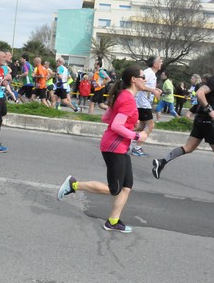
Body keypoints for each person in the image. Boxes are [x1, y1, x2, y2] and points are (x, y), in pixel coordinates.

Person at [57, 65, 148, 233]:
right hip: (114, 147)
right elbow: (115, 124)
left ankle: (113, 221)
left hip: (118, 145)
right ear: (134, 80)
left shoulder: (124, 96)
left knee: (127, 185)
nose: (146, 80)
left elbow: (106, 118)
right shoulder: (127, 98)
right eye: (143, 77)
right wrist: (136, 136)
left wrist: (129, 125)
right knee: (114, 189)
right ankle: (74, 185)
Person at [152, 59, 214, 195]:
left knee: (188, 148)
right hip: (208, 122)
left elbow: (210, 99)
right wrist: (211, 110)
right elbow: (200, 94)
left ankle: (161, 162)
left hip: (200, 120)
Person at [130, 56, 162, 157]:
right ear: (155, 64)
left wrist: (155, 89)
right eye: (160, 62)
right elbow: (140, 86)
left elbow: (146, 86)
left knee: (141, 126)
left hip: (144, 102)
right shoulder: (148, 73)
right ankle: (137, 148)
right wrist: (153, 90)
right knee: (150, 125)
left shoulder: (151, 74)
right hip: (142, 103)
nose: (161, 63)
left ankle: (124, 137)